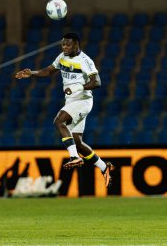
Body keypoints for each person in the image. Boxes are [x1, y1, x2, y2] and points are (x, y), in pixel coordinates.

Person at [15, 32, 114, 187]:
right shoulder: (62, 57)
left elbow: (97, 82)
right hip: (72, 101)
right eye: (63, 44)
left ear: (76, 45)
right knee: (77, 141)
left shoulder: (85, 61)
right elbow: (48, 70)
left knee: (59, 121)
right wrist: (32, 73)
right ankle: (103, 166)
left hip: (83, 101)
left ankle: (74, 157)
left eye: (68, 44)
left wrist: (79, 87)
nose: (65, 47)